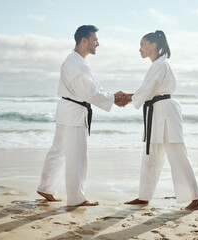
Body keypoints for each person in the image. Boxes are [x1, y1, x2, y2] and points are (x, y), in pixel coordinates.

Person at [37, 25, 129, 206]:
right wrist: (113, 99)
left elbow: (93, 87)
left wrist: (112, 96)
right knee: (76, 156)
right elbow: (89, 91)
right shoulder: (76, 63)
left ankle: (46, 187)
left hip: (69, 110)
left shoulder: (77, 61)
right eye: (95, 39)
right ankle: (77, 199)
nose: (98, 44)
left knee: (59, 151)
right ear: (84, 40)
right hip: (73, 113)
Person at [123, 30, 198, 210]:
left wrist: (128, 98)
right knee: (150, 155)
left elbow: (148, 89)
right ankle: (144, 196)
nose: (140, 49)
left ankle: (196, 198)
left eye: (142, 45)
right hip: (156, 111)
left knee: (178, 154)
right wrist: (131, 97)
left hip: (166, 112)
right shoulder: (156, 66)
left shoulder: (160, 65)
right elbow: (147, 89)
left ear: (153, 45)